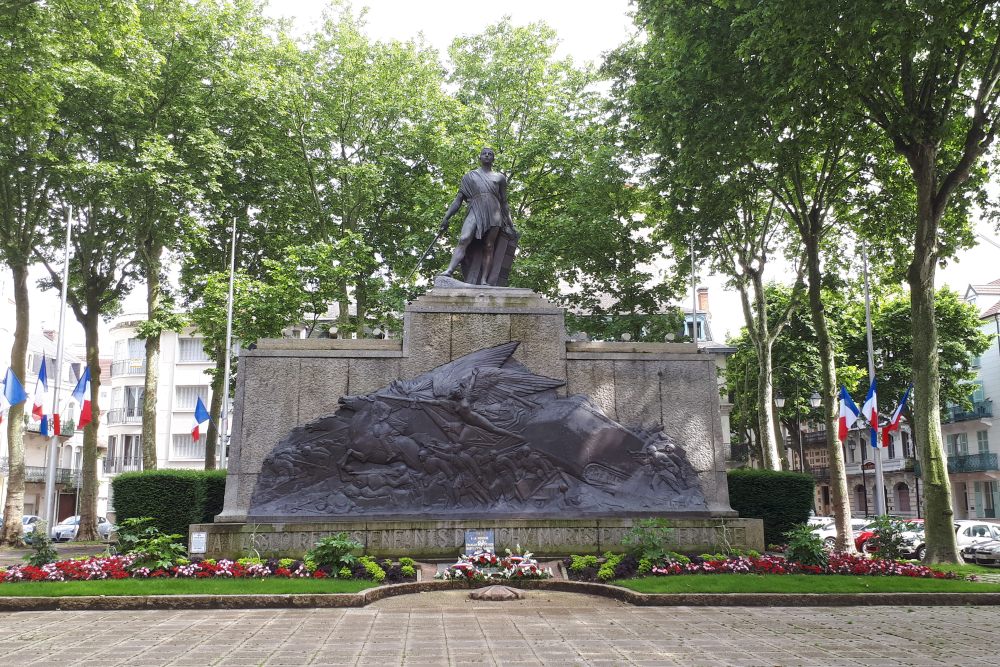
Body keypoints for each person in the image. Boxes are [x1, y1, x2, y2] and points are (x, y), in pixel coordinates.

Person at [440, 147, 517, 285]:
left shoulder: (500, 177)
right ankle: (449, 270)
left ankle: (484, 280)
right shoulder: (469, 176)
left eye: (490, 154)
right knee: (464, 239)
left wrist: (511, 224)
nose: (487, 155)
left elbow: (504, 202)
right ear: (480, 157)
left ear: (493, 158)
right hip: (475, 209)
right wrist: (447, 217)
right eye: (484, 154)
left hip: (494, 213)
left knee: (489, 246)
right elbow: (458, 199)